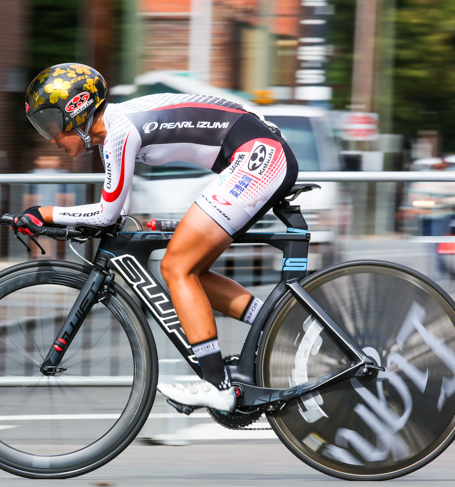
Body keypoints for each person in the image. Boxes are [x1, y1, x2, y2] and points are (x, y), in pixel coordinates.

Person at [17, 63, 299, 413]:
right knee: (194, 272)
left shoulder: (119, 130)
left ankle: (219, 387)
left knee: (177, 267)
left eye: (51, 126)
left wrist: (44, 214)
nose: (52, 139)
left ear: (78, 109)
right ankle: (282, 324)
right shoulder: (116, 131)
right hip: (256, 155)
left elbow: (108, 214)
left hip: (259, 157)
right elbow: (116, 210)